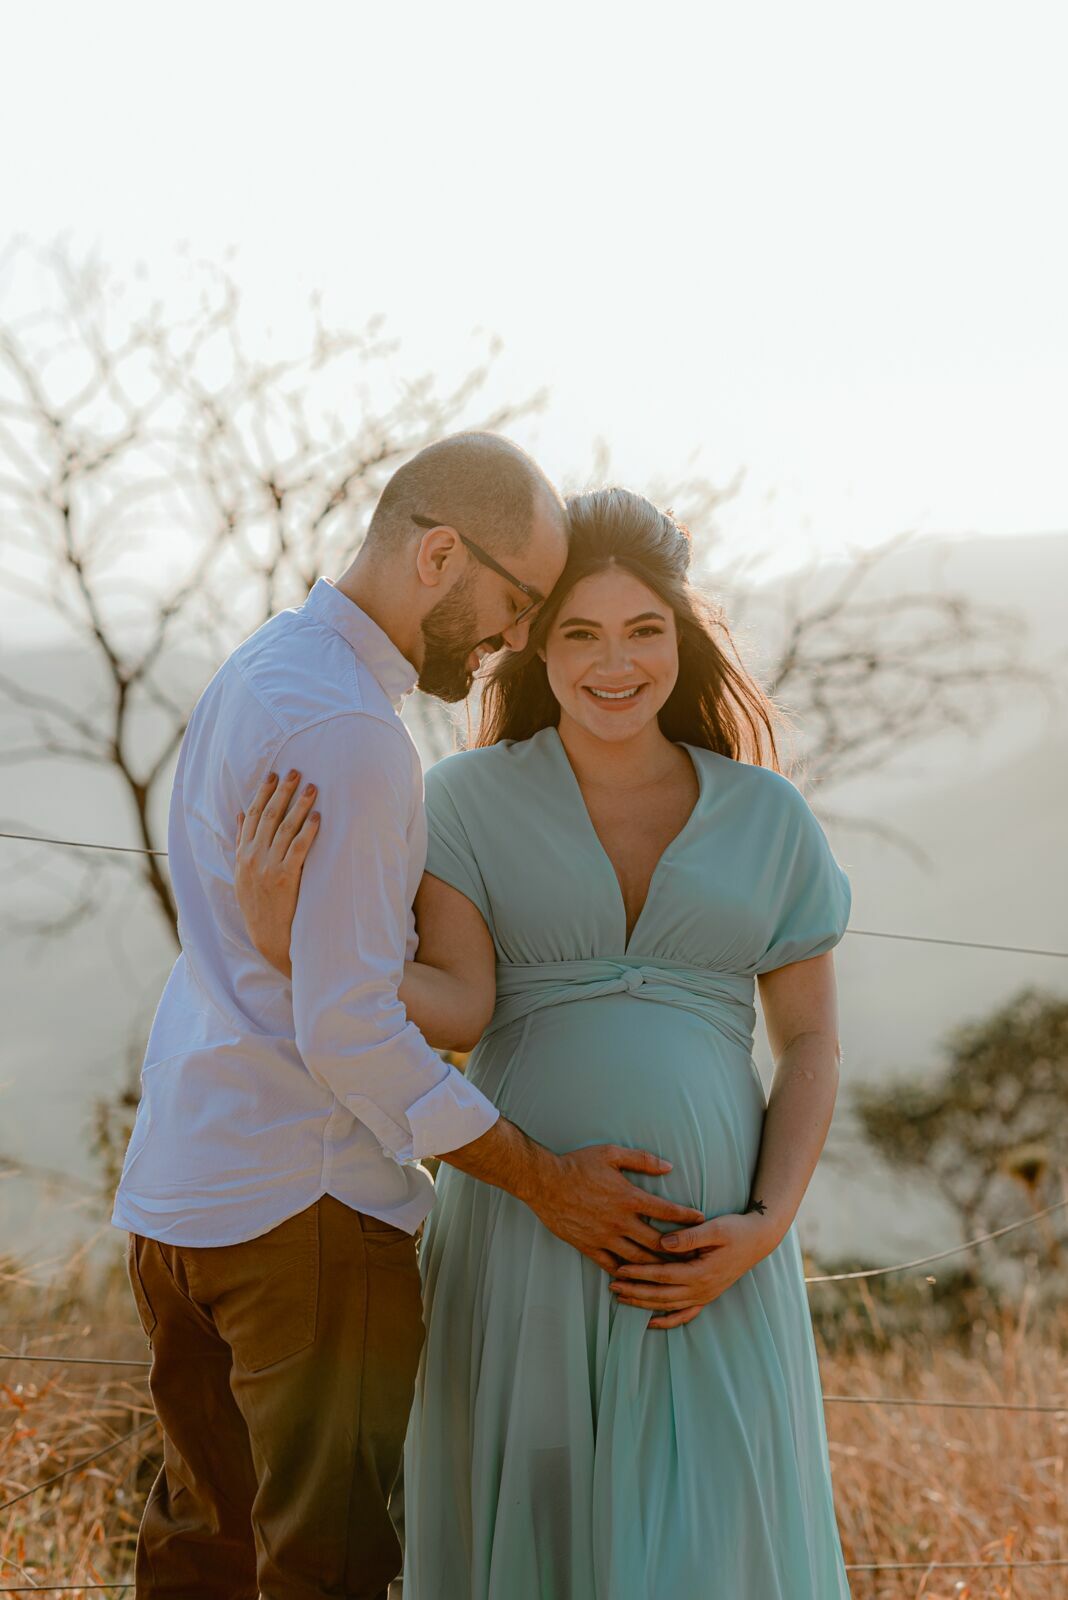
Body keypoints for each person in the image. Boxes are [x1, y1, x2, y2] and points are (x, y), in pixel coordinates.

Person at [111, 438, 705, 1600]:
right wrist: (545, 1180)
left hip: (181, 1194)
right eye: (520, 601)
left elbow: (279, 964)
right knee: (323, 1572)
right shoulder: (354, 735)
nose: (521, 637)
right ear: (440, 553)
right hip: (305, 1215)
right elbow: (350, 1036)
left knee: (199, 1559)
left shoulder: (263, 668)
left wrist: (317, 955)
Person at [235, 486, 855, 1598]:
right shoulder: (465, 801)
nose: (613, 663)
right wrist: (301, 947)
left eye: (643, 630)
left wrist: (765, 1226)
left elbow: (810, 1043)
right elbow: (453, 1003)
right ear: (535, 645)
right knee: (535, 1539)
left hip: (706, 1254)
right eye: (580, 632)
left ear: (683, 639)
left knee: (709, 1549)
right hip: (525, 1234)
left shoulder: (770, 817)